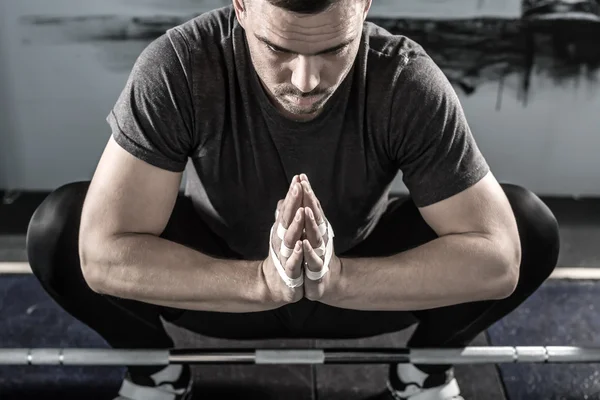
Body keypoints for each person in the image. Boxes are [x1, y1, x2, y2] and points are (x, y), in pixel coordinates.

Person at [26, 0, 561, 399]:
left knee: (527, 227)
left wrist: (339, 278)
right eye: (279, 49)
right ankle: (153, 366)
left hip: (351, 287)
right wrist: (261, 281)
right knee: (61, 230)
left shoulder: (403, 77)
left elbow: (500, 260)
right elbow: (101, 255)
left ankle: (425, 366)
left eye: (333, 49)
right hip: (223, 287)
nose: (306, 81)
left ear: (364, 7)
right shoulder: (182, 65)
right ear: (241, 6)